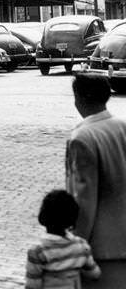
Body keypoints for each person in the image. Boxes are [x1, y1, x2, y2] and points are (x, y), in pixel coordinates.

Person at [66, 74, 126, 287]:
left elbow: (84, 198)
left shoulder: (82, 137)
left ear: (78, 99)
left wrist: (76, 242)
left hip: (100, 247)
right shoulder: (122, 126)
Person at [25, 189, 101, 288]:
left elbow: (33, 285)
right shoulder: (81, 246)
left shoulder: (37, 252)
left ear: (43, 215)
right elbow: (95, 274)